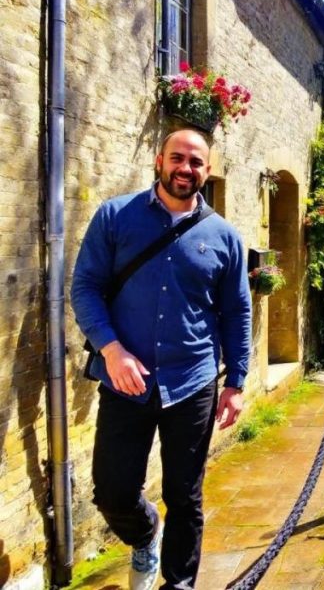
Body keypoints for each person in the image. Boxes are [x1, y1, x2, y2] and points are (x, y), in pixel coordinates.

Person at [71, 126, 252, 590]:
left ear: (207, 170)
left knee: (184, 496)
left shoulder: (224, 237)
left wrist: (235, 382)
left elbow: (236, 311)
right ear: (159, 160)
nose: (185, 168)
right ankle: (145, 533)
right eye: (177, 158)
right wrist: (112, 350)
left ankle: (179, 584)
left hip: (193, 381)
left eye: (195, 162)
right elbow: (85, 287)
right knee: (112, 492)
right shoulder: (116, 216)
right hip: (124, 379)